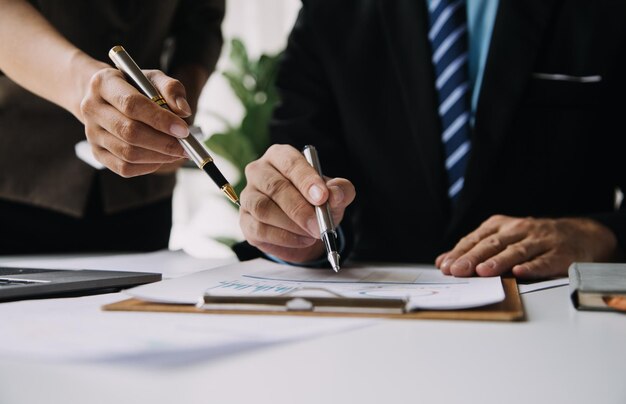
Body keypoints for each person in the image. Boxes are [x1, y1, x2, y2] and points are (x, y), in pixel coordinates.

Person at [236, 0, 626, 279]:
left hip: (553, 307)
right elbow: (302, 162)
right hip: (376, 315)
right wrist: (301, 229)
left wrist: (601, 234)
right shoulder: (331, 12)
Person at [0, 0, 224, 254]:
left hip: (141, 196)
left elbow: (201, 20)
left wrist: (181, 102)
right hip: (19, 179)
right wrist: (86, 85)